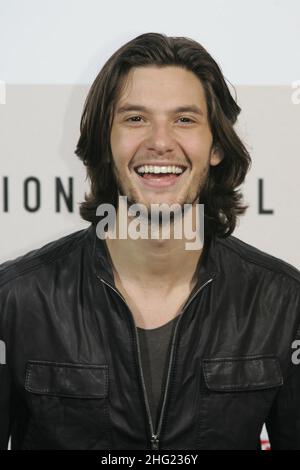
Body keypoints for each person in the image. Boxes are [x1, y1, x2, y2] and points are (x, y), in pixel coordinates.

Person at [1, 32, 300, 451]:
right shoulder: (14, 300)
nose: (160, 142)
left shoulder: (285, 301)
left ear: (216, 146)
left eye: (185, 119)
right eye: (135, 118)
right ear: (105, 142)